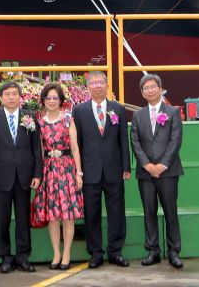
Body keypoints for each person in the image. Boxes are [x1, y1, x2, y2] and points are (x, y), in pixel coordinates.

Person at [72, 70, 130, 269]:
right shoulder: (79, 111)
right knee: (91, 213)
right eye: (93, 83)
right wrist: (78, 171)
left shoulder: (118, 109)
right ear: (88, 87)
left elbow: (123, 140)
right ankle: (95, 253)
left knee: (117, 212)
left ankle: (115, 251)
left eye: (100, 83)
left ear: (107, 86)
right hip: (90, 171)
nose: (97, 86)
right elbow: (77, 144)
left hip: (114, 169)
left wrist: (126, 166)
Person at [0, 81, 43, 274]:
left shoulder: (29, 116)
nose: (11, 97)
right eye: (7, 94)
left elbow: (36, 148)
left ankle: (23, 257)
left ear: (20, 97)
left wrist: (37, 174)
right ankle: (5, 257)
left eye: (14, 94)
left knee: (23, 218)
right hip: (0, 176)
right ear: (1, 98)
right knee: (2, 219)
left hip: (24, 176)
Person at [130, 74, 184, 269]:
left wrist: (162, 164)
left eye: (153, 87)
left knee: (170, 211)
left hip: (168, 171)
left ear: (160, 89)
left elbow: (176, 140)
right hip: (145, 173)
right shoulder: (138, 115)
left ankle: (174, 251)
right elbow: (135, 141)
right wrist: (146, 164)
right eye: (146, 88)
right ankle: (152, 250)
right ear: (142, 93)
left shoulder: (173, 112)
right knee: (149, 211)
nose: (150, 90)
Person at [31, 82, 84, 270]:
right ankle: (56, 253)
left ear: (61, 100)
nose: (52, 101)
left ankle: (67, 253)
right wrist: (39, 175)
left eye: (55, 98)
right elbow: (39, 151)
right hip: (49, 171)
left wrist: (79, 173)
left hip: (67, 168)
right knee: (52, 215)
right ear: (43, 100)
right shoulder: (39, 122)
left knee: (68, 215)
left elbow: (75, 148)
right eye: (48, 98)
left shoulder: (68, 119)